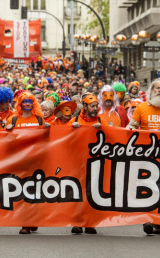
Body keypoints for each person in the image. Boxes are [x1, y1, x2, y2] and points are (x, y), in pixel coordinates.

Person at [126, 78, 160, 235]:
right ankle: (147, 219)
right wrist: (129, 128)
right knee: (146, 189)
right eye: (157, 88)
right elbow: (133, 125)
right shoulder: (141, 108)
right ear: (151, 90)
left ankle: (158, 222)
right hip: (145, 156)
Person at [5, 91, 49, 235]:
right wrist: (8, 130)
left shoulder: (39, 119)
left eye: (30, 101)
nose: (27, 104)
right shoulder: (13, 120)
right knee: (23, 192)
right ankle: (25, 222)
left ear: (33, 103)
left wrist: (48, 129)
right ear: (20, 104)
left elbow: (47, 140)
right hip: (20, 160)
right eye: (24, 102)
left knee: (35, 191)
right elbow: (4, 140)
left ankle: (33, 219)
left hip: (36, 160)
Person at [68, 94, 107, 235]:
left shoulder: (102, 121)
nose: (95, 108)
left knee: (92, 193)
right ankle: (77, 222)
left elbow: (112, 138)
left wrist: (103, 129)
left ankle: (90, 223)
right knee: (78, 192)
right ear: (84, 106)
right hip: (78, 163)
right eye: (92, 106)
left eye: (96, 106)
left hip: (95, 163)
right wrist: (71, 128)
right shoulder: (75, 120)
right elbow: (62, 138)